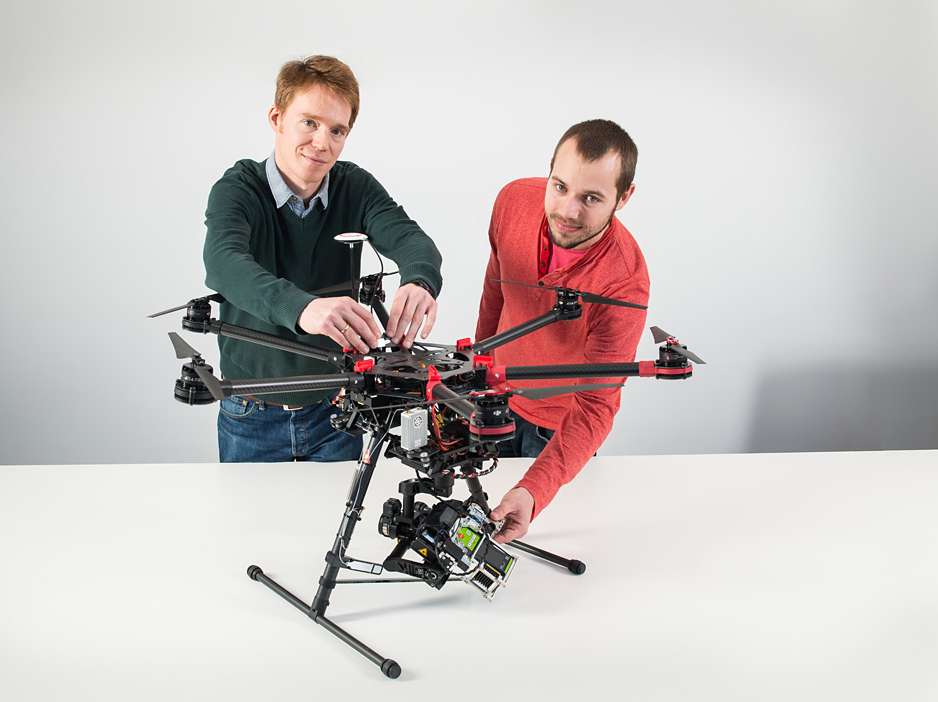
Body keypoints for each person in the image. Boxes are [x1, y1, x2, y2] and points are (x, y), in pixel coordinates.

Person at [203, 55, 443, 463]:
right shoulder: (238, 188)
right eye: (309, 122)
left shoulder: (356, 185)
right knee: (251, 526)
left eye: (337, 130)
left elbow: (411, 239)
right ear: (276, 118)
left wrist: (419, 279)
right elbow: (223, 262)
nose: (322, 142)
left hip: (338, 412)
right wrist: (303, 308)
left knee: (338, 524)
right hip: (251, 412)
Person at [474, 119, 649, 543]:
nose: (569, 211)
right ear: (549, 171)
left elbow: (595, 406)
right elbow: (495, 290)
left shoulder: (624, 282)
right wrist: (474, 372)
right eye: (560, 187)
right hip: (491, 402)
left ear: (623, 197)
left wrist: (535, 492)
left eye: (591, 198)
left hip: (557, 432)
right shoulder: (513, 200)